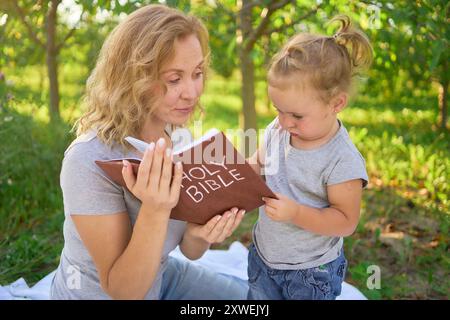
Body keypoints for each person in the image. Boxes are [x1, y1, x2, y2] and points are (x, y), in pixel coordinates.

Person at [50, 4, 247, 300]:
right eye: (174, 79)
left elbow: (190, 251)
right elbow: (123, 290)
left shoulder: (180, 138)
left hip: (162, 276)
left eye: (197, 73)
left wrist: (203, 234)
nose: (192, 92)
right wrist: (155, 209)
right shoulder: (87, 160)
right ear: (133, 78)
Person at [246, 15, 373, 300]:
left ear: (336, 103)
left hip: (311, 272)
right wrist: (234, 176)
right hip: (264, 257)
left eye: (296, 115)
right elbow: (257, 165)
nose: (284, 121)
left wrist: (297, 214)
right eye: (278, 109)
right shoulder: (278, 130)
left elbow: (345, 221)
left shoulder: (342, 160)